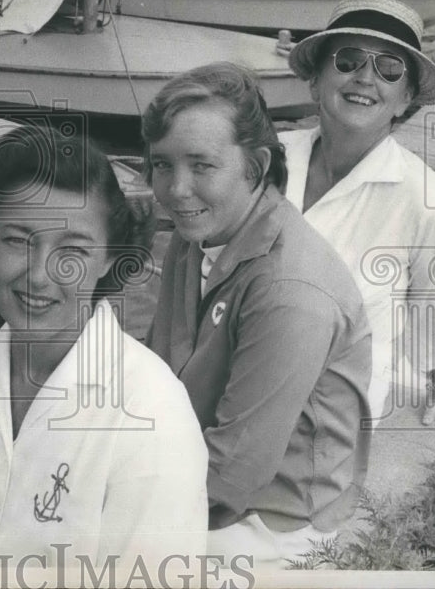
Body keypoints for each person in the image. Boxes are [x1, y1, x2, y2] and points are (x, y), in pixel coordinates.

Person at [0, 123, 208, 578]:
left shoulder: (151, 410)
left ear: (109, 256)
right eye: (17, 240)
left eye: (73, 249)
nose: (41, 275)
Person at [142, 62, 371, 569]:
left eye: (202, 166)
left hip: (272, 528)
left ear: (256, 165)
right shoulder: (200, 231)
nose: (177, 190)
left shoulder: (290, 291)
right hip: (199, 480)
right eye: (163, 165)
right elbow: (156, 379)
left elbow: (231, 477)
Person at [280, 0, 435, 422]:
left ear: (404, 100)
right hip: (231, 394)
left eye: (389, 68)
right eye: (348, 60)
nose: (366, 77)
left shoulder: (433, 203)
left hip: (330, 423)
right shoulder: (266, 161)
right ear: (314, 81)